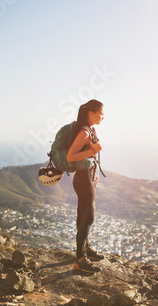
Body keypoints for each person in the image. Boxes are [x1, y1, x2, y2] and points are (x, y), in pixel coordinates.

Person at [67, 99, 105, 273]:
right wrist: (93, 150)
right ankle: (80, 259)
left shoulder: (90, 130)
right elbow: (70, 156)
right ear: (91, 113)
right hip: (82, 180)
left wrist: (94, 177)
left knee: (83, 213)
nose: (103, 117)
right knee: (88, 216)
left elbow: (87, 160)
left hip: (87, 178)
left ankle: (86, 249)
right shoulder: (84, 132)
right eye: (101, 113)